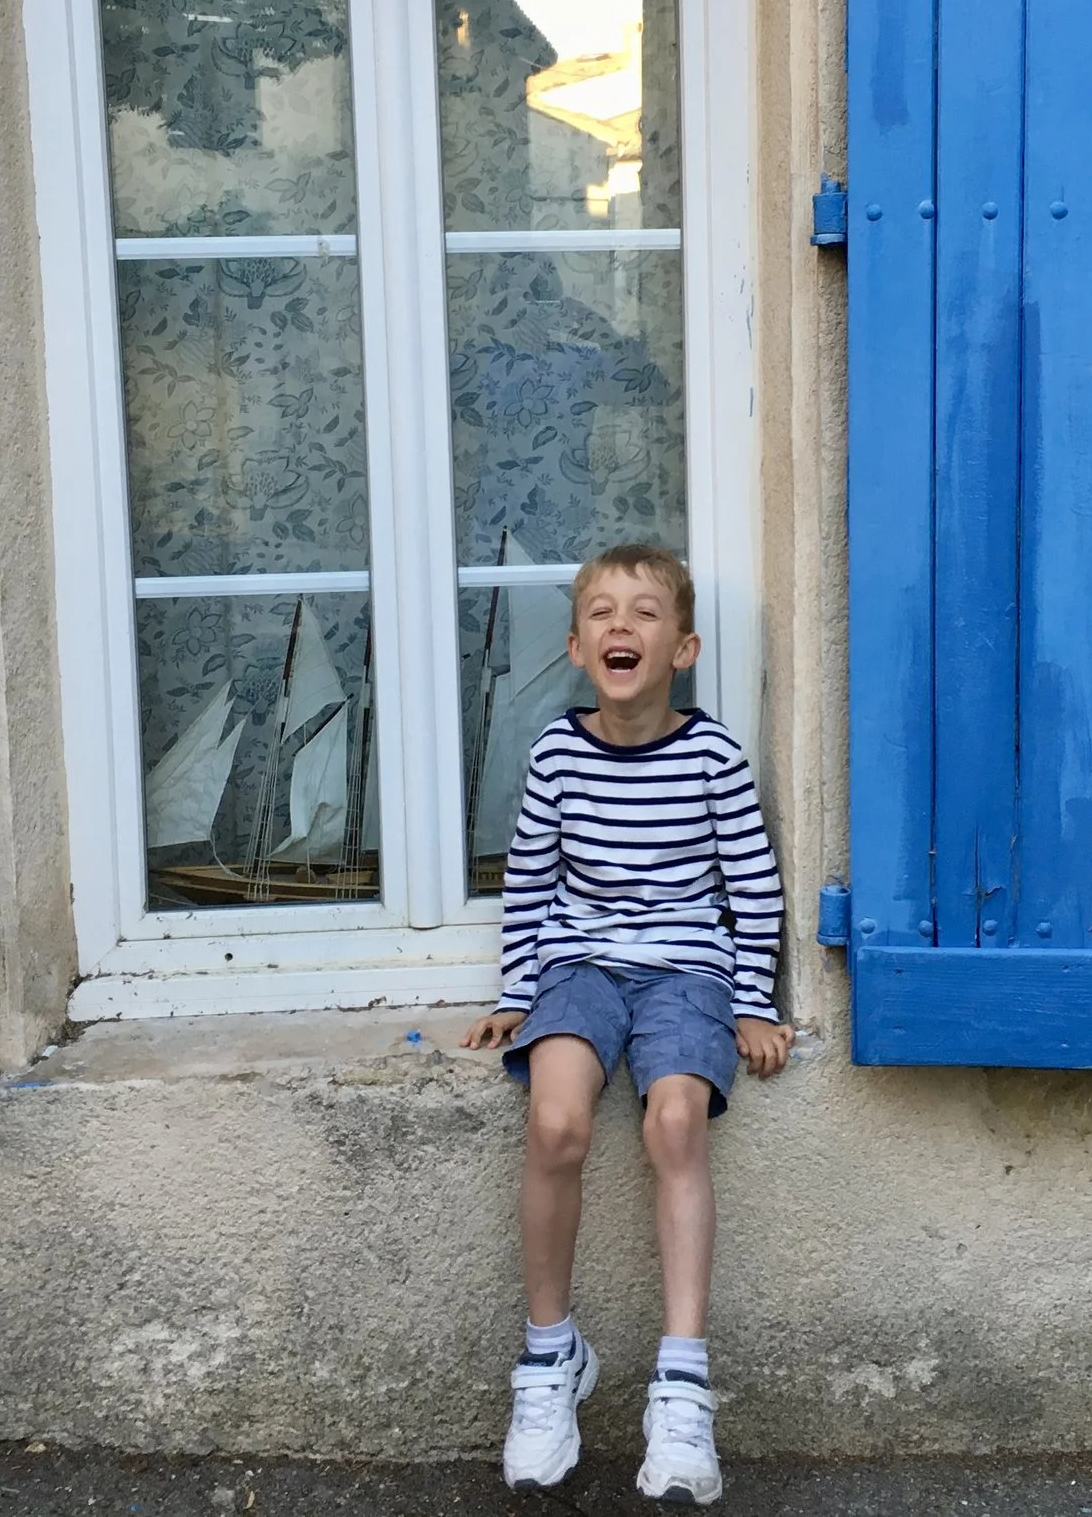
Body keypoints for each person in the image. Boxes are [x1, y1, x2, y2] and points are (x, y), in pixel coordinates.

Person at [461, 542, 791, 1505]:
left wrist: (756, 1002)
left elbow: (752, 886)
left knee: (674, 1122)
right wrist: (520, 988)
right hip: (579, 968)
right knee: (557, 1122)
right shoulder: (557, 752)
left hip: (687, 971)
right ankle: (549, 1359)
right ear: (575, 644)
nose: (621, 627)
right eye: (602, 612)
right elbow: (528, 879)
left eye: (645, 613)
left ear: (682, 648)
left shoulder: (713, 755)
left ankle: (682, 1388)